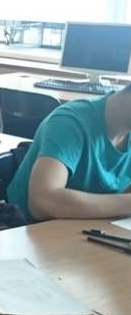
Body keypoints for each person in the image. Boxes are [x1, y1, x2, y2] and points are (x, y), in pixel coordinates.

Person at [7, 84, 131, 221]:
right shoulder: (69, 122)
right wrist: (126, 204)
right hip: (29, 227)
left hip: (92, 225)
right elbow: (42, 202)